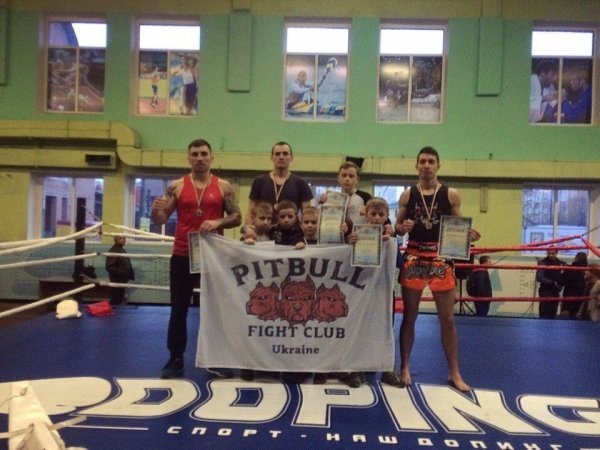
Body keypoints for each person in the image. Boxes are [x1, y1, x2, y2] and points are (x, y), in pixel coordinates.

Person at [151, 139, 242, 379]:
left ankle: (217, 358)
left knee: (216, 308)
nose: (199, 158)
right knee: (178, 308)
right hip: (183, 253)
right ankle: (175, 358)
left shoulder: (223, 186)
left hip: (213, 255)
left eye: (203, 154)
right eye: (195, 154)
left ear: (211, 157)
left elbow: (237, 217)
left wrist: (217, 221)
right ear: (189, 158)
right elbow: (161, 219)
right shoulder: (177, 186)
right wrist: (154, 210)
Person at [394, 146, 481, 392]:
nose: (426, 166)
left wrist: (468, 235)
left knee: (448, 319)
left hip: (440, 258)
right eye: (422, 161)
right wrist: (402, 228)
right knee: (409, 316)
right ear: (416, 165)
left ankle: (454, 372)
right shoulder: (407, 195)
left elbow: (457, 225)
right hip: (414, 256)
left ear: (438, 165)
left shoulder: (451, 194)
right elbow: (398, 227)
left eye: (431, 161)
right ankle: (405, 367)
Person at [346, 197, 403, 388]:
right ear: (366, 214)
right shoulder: (358, 234)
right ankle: (356, 369)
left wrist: (391, 243)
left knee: (386, 327)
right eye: (373, 214)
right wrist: (351, 242)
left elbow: (399, 263)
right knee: (360, 326)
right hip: (361, 289)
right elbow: (348, 262)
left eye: (381, 214)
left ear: (387, 216)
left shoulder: (391, 238)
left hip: (383, 289)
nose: (377, 218)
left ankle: (387, 369)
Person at [246, 141, 313, 224]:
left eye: (285, 154)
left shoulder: (301, 183)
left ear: (291, 157)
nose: (281, 157)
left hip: (291, 231)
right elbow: (250, 213)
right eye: (277, 154)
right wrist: (248, 229)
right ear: (272, 157)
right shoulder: (259, 181)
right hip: (264, 230)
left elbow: (307, 215)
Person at [105, 235, 134, 306]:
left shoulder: (120, 250)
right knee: (116, 297)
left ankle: (116, 309)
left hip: (121, 278)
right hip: (117, 279)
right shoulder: (114, 251)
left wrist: (128, 274)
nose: (125, 240)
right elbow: (109, 267)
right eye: (124, 239)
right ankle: (114, 309)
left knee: (119, 297)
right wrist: (123, 272)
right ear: (118, 240)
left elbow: (125, 264)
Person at [536, 247, 565, 319]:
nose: (551, 255)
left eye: (553, 253)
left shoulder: (559, 262)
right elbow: (539, 278)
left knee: (553, 313)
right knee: (544, 313)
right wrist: (552, 282)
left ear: (557, 253)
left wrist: (559, 283)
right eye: (549, 253)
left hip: (555, 291)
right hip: (545, 291)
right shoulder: (543, 263)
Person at [560, 252, 587, 319]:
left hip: (569, 294)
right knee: (576, 314)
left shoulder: (570, 269)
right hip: (580, 295)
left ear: (576, 258)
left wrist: (557, 283)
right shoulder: (585, 270)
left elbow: (562, 281)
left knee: (565, 315)